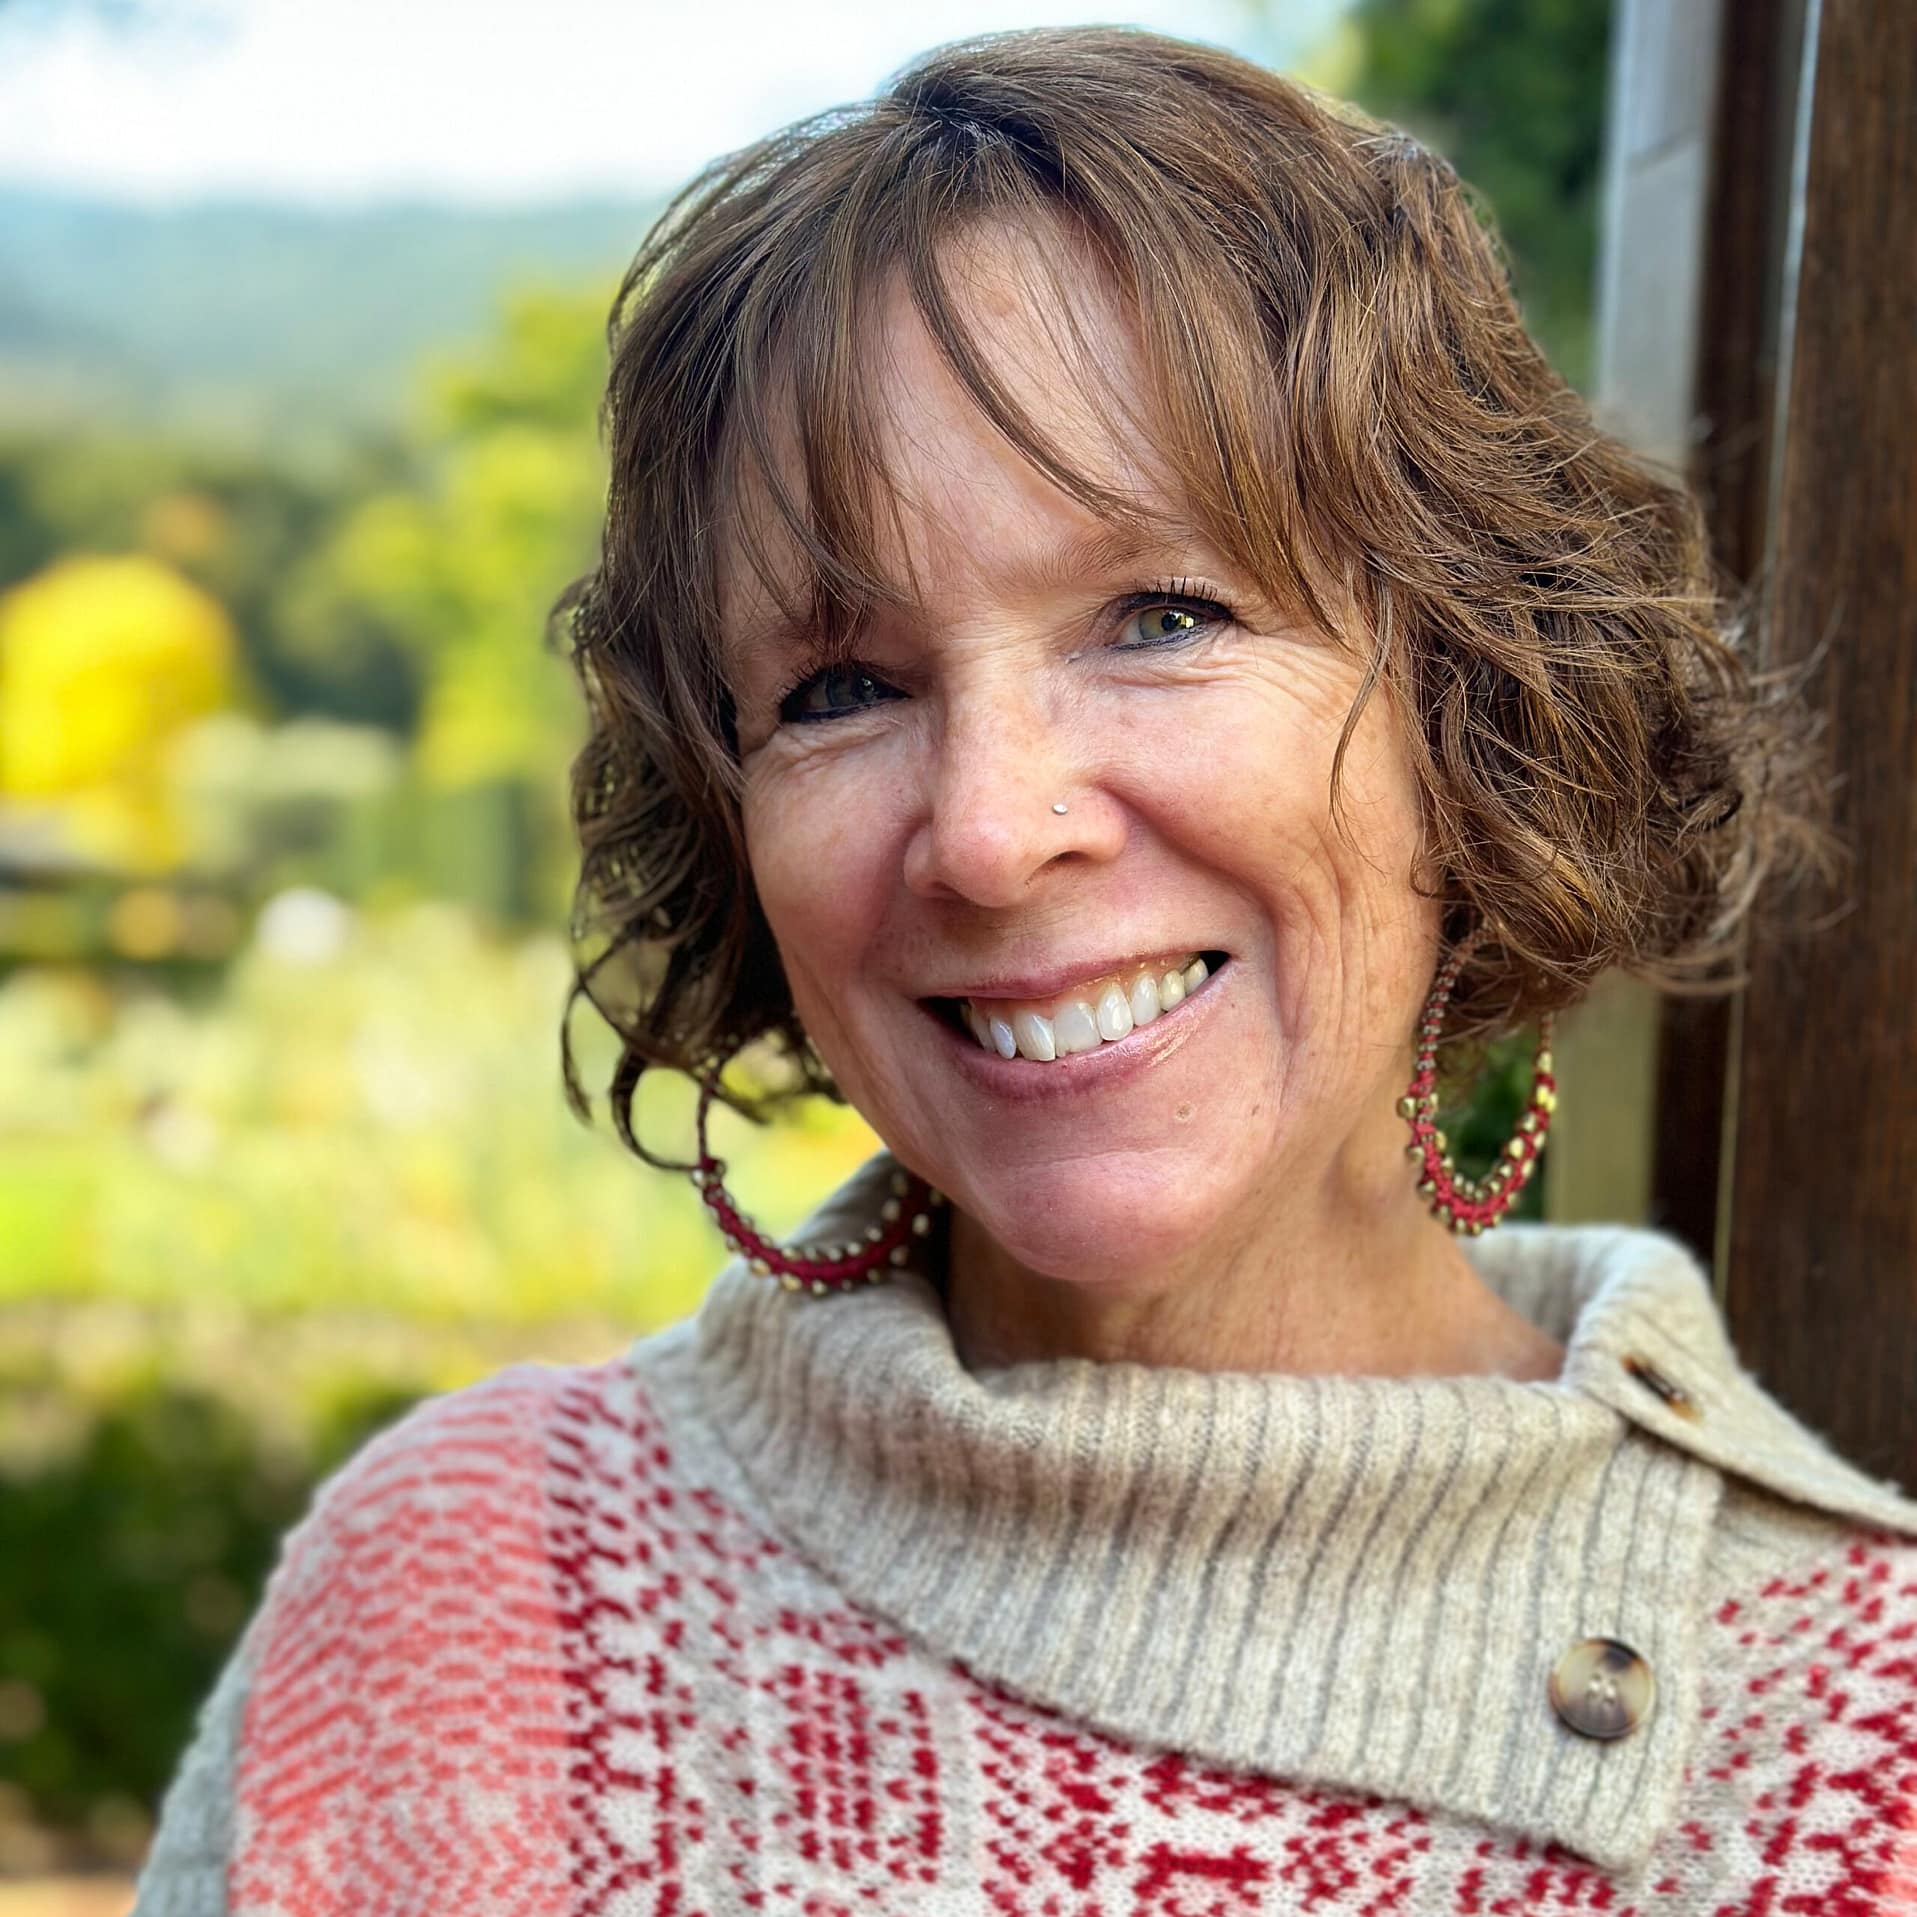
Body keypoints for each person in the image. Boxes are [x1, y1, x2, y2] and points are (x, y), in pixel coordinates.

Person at [133, 25, 1917, 1915]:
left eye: (1161, 617)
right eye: (838, 689)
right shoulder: (465, 1612)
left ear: (1472, 708)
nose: (989, 830)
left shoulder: (1849, 1750)